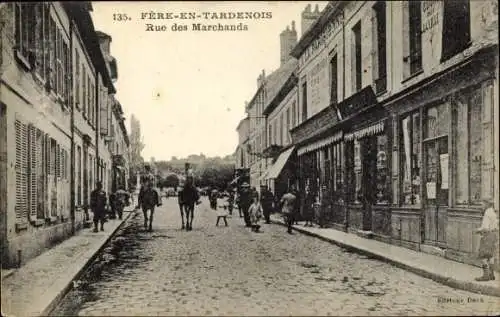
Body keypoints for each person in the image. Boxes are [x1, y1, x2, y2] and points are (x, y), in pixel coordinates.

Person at [474, 200, 499, 281]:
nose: (481, 206)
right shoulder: (493, 212)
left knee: (483, 255)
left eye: (482, 204)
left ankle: (485, 276)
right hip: (494, 235)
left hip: (488, 236)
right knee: (490, 256)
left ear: (487, 204)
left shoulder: (487, 213)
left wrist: (477, 230)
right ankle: (491, 274)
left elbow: (485, 228)